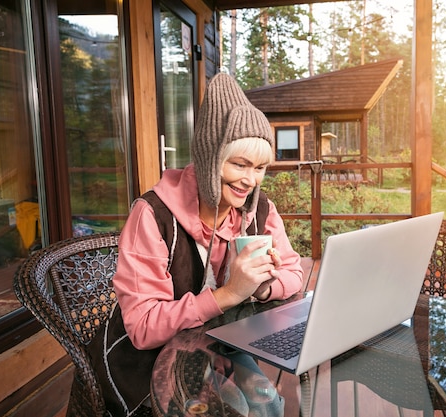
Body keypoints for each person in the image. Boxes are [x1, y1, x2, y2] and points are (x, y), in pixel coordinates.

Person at [89, 73, 303, 416]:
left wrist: (262, 287)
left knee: (270, 405)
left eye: (261, 167)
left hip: (224, 343)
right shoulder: (153, 215)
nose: (251, 180)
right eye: (240, 164)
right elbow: (143, 328)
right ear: (209, 159)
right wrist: (229, 294)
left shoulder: (257, 210)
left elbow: (295, 272)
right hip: (147, 363)